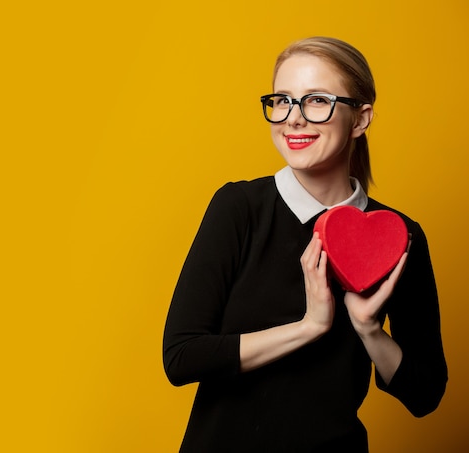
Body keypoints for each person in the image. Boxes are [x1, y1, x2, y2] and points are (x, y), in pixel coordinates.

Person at [162, 37, 447, 452]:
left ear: (360, 119)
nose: (293, 119)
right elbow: (182, 356)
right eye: (283, 100)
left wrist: (369, 330)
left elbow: (425, 395)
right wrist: (310, 327)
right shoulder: (239, 207)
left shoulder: (399, 235)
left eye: (316, 100)